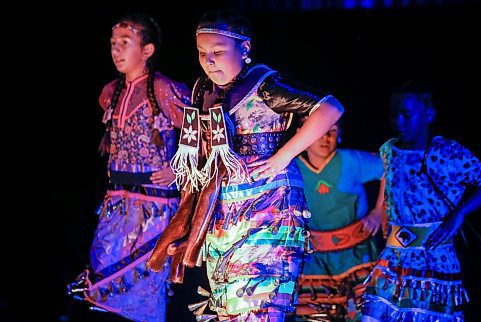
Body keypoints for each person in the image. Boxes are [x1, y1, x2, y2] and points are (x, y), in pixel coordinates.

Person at [146, 9, 345, 322]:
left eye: (218, 52)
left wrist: (284, 156)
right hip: (223, 207)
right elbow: (202, 150)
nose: (209, 60)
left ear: (245, 49)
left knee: (262, 301)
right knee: (229, 303)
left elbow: (330, 109)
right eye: (202, 53)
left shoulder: (265, 85)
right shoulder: (203, 91)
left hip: (268, 203)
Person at [67, 13, 190, 322]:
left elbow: (200, 133)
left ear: (146, 50)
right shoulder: (111, 92)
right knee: (102, 275)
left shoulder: (164, 89)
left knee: (145, 281)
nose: (116, 51)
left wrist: (179, 167)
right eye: (113, 44)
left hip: (155, 203)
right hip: (117, 201)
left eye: (125, 43)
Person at [361, 80, 481, 322]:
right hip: (393, 257)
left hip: (433, 256)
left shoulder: (447, 152)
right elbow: (388, 179)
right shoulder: (388, 149)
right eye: (394, 115)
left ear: (428, 115)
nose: (399, 121)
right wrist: (379, 210)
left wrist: (460, 213)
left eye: (406, 114)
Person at [294, 118, 384, 322]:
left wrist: (379, 211)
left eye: (332, 131)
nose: (325, 138)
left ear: (340, 134)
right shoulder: (293, 167)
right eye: (319, 131)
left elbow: (388, 168)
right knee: (314, 316)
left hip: (356, 255)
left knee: (363, 314)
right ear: (302, 133)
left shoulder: (350, 160)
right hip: (314, 260)